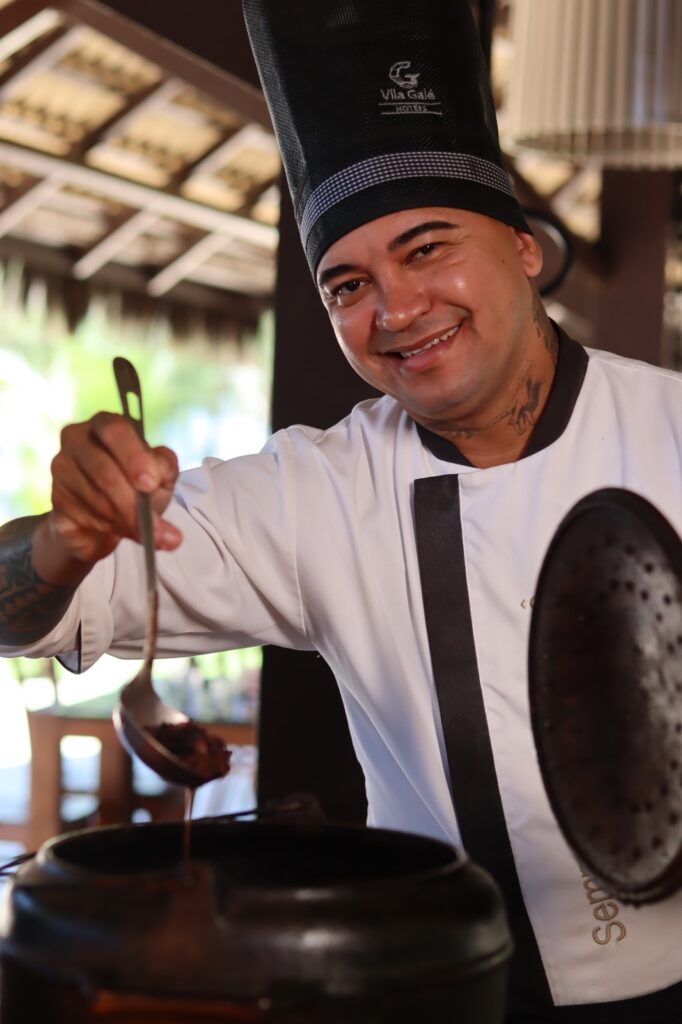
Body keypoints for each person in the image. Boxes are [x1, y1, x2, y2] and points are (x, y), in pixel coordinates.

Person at [0, 0, 681, 1019]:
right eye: (348, 283)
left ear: (523, 247)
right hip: (431, 988)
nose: (396, 310)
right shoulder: (315, 491)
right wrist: (65, 538)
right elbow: (21, 613)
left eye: (427, 247)